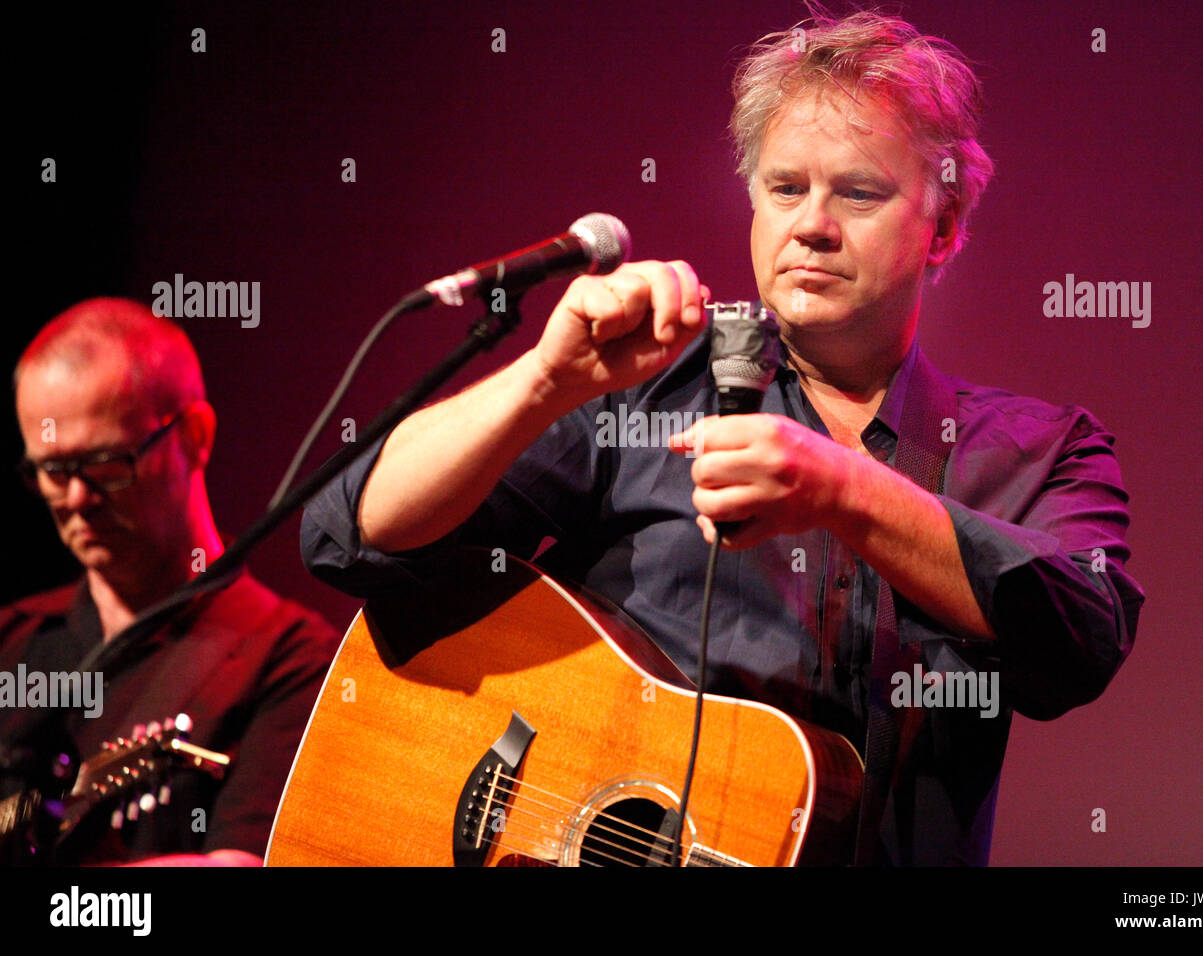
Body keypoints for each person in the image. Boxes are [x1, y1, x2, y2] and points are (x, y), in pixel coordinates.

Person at [302, 10, 1144, 865]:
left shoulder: (1043, 450)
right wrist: (542, 383)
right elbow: (349, 535)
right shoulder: (647, 381)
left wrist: (844, 488)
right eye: (785, 189)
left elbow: (1084, 638)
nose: (812, 225)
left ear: (944, 225)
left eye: (858, 192)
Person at [0, 297, 338, 865]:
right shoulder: (12, 640)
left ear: (194, 436)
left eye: (108, 462)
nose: (78, 499)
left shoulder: (291, 659)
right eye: (53, 471)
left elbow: (239, 866)